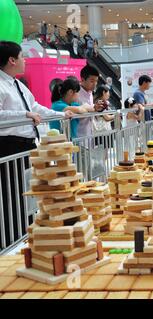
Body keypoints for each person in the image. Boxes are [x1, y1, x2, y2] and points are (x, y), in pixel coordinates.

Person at [0, 42, 74, 245]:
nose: (25, 61)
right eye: (22, 57)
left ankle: (27, 230)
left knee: (29, 189)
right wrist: (24, 115)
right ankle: (12, 238)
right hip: (8, 145)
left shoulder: (18, 85)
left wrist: (61, 115)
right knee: (12, 193)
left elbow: (36, 107)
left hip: (27, 145)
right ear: (12, 60)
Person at [76, 64, 106, 138]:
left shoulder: (90, 93)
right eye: (92, 81)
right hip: (79, 135)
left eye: (96, 81)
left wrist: (96, 108)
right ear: (82, 80)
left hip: (89, 134)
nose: (95, 84)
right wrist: (93, 108)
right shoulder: (76, 94)